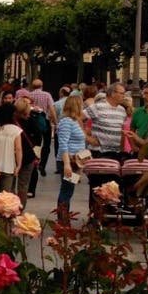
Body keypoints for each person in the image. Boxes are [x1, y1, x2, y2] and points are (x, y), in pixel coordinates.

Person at [56, 95, 88, 224]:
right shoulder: (66, 122)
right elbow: (63, 144)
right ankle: (63, 221)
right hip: (69, 161)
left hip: (76, 161)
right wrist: (67, 165)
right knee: (66, 190)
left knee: (69, 190)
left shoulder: (74, 121)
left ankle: (64, 218)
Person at [83, 82, 128, 158]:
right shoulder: (98, 106)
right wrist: (87, 138)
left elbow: (121, 132)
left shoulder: (122, 110)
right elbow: (76, 118)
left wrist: (121, 150)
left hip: (115, 153)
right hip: (99, 153)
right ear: (113, 93)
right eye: (122, 94)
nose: (124, 96)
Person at [14, 97, 42, 208]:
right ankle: (20, 209)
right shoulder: (31, 121)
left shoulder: (12, 122)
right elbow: (38, 136)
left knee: (11, 184)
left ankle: (10, 208)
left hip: (14, 156)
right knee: (23, 185)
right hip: (28, 156)